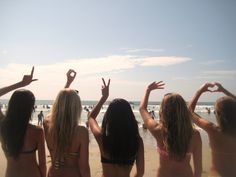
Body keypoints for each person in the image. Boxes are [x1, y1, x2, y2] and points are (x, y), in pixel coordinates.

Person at [139, 81, 202, 177]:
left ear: (163, 110)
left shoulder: (158, 130)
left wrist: (148, 90)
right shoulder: (194, 135)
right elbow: (198, 170)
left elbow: (142, 109)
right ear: (184, 110)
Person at [88, 78, 144, 177]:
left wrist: (104, 97)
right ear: (130, 118)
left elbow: (91, 118)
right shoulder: (137, 141)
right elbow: (140, 172)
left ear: (109, 117)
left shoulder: (102, 138)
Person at [0, 67, 46, 177]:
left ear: (11, 105)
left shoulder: (3, 127)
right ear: (30, 108)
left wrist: (20, 84)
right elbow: (43, 165)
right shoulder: (37, 131)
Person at [43, 69, 91, 177]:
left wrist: (68, 83)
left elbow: (54, 113)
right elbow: (84, 168)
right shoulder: (81, 132)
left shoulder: (47, 124)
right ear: (77, 107)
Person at [189, 82, 236, 177]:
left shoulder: (213, 130)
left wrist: (200, 91)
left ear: (218, 114)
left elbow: (189, 111)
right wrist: (224, 90)